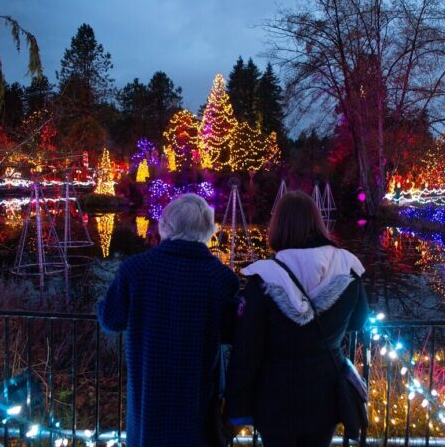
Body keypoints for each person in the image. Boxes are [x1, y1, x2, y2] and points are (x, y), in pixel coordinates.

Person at [225, 190, 368, 447]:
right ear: (317, 222)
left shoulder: (264, 278)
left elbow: (247, 349)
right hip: (326, 392)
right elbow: (358, 321)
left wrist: (238, 407)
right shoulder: (348, 266)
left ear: (278, 226)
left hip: (275, 394)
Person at [98, 193, 239, 447]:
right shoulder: (221, 278)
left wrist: (101, 303)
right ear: (208, 229)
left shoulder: (135, 269)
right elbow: (231, 333)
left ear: (166, 225)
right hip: (197, 399)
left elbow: (111, 320)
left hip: (148, 396)